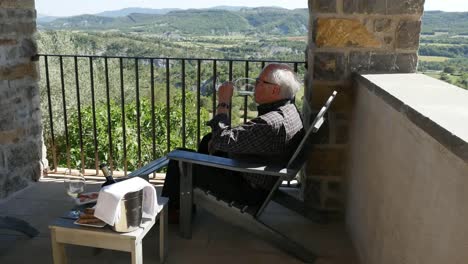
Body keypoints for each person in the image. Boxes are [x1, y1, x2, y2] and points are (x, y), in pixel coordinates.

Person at [161, 63, 304, 222]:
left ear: (275, 90)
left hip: (248, 189)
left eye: (259, 82)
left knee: (179, 159)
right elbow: (226, 139)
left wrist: (223, 102)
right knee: (208, 140)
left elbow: (222, 139)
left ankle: (172, 213)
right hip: (257, 174)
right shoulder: (289, 110)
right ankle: (187, 201)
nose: (254, 85)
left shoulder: (272, 123)